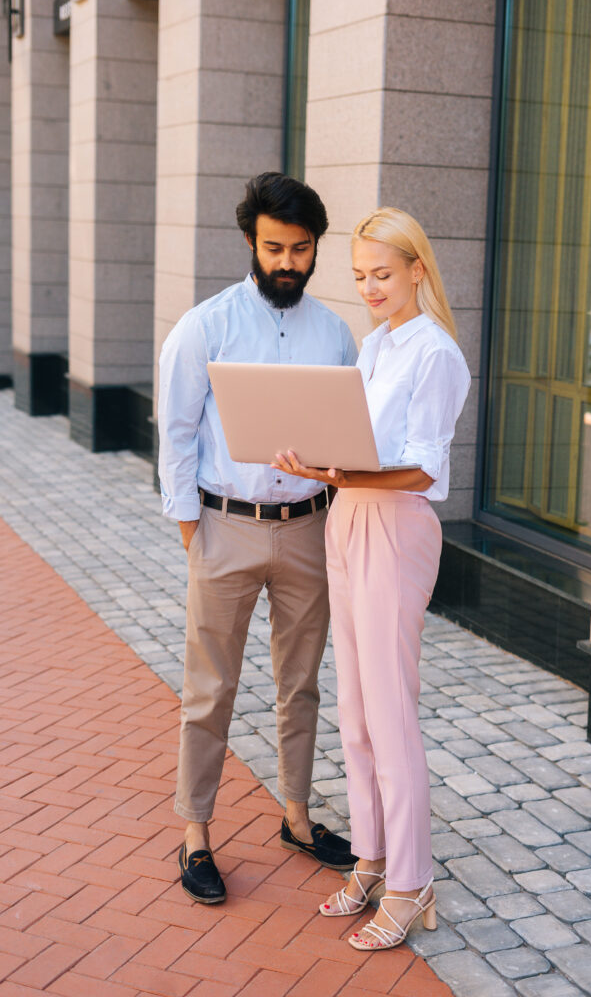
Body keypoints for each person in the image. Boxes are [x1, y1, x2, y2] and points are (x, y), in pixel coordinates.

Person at [272, 207, 471, 950]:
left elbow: (424, 467)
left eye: (381, 275)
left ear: (418, 269)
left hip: (395, 527)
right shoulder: (376, 345)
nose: (369, 288)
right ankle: (371, 857)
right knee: (354, 711)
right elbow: (353, 442)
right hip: (346, 518)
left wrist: (342, 470)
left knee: (389, 714)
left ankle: (413, 882)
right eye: (358, 277)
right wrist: (312, 462)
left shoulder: (434, 353)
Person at [158, 172, 359, 905]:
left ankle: (298, 818)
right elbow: (175, 432)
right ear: (251, 241)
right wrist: (192, 530)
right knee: (209, 689)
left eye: (300, 250)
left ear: (315, 251)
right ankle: (196, 833)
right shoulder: (206, 325)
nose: (286, 262)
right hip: (224, 525)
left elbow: (348, 437)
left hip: (307, 529)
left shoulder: (334, 333)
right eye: (273, 247)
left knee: (300, 684)